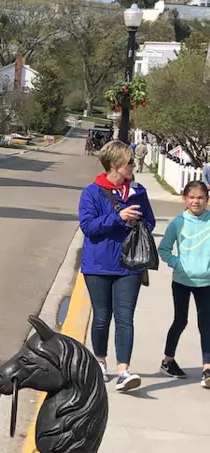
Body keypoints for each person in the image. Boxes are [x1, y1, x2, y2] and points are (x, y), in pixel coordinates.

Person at [79, 140, 156, 392]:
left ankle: (124, 371)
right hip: (98, 266)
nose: (134, 165)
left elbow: (151, 222)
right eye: (130, 162)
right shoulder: (91, 192)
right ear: (115, 164)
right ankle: (99, 361)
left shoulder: (138, 191)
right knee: (101, 317)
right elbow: (88, 227)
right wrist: (118, 217)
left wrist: (139, 223)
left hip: (129, 265)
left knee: (125, 319)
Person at [158, 181, 210, 387]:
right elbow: (164, 249)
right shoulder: (178, 223)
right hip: (181, 281)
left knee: (206, 324)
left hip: (206, 282)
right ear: (185, 200)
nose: (196, 201)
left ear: (207, 199)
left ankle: (207, 368)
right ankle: (167, 360)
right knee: (180, 320)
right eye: (192, 197)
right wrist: (177, 264)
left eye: (200, 197)